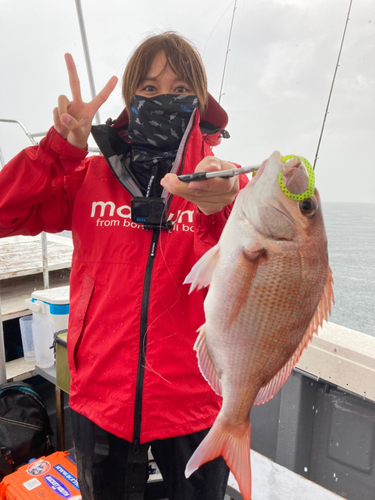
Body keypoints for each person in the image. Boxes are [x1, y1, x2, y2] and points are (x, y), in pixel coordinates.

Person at [0, 32, 247, 499]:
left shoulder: (222, 180)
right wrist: (59, 150)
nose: (164, 99)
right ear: (131, 102)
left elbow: (280, 234)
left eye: (179, 89)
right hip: (101, 400)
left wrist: (227, 205)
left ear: (200, 100)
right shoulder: (88, 177)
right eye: (150, 89)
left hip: (195, 405)